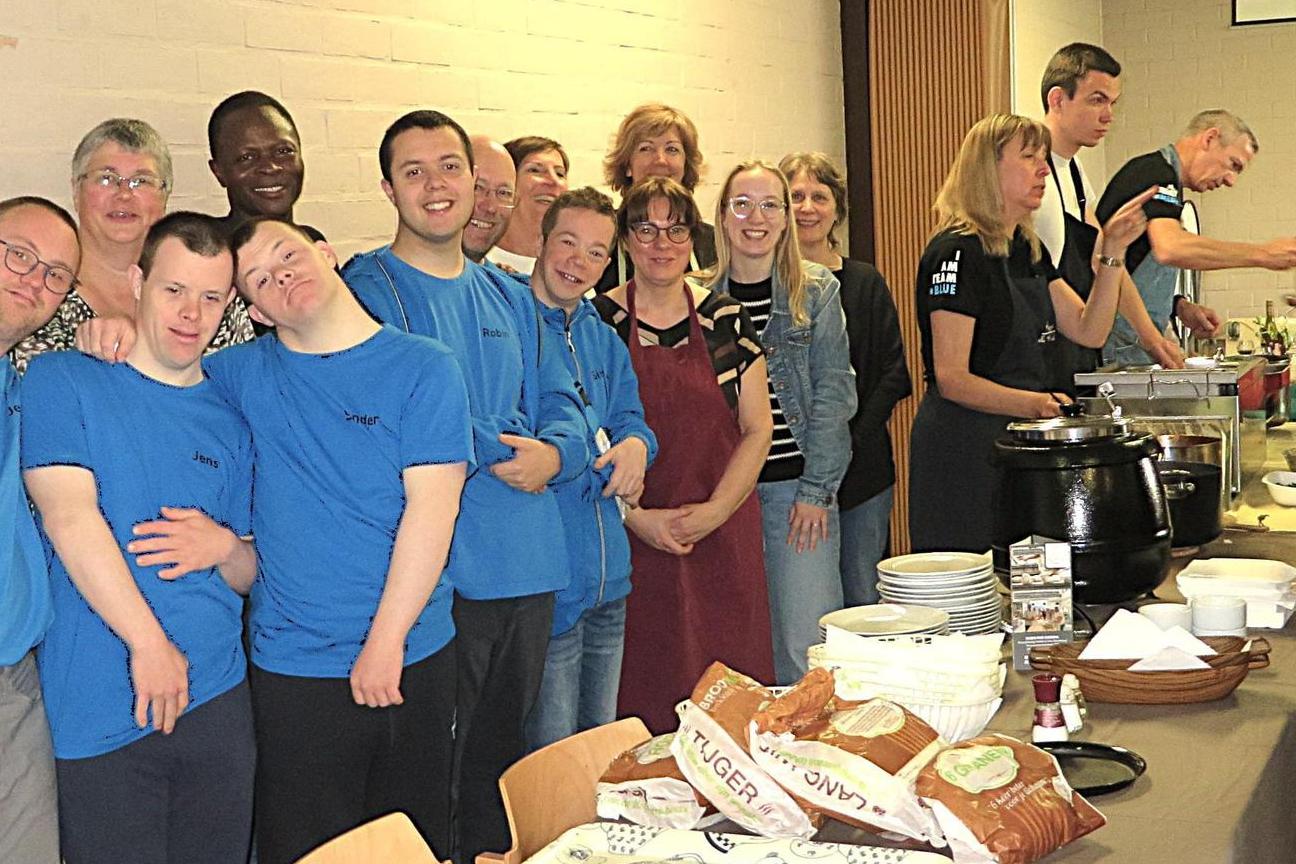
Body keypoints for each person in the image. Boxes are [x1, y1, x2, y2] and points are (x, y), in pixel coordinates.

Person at [341, 110, 586, 864]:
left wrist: (558, 453)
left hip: (530, 565)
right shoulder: (366, 289)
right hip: (446, 579)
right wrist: (494, 442)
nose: (435, 186)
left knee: (499, 777)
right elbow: (387, 412)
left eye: (449, 168)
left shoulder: (509, 296)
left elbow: (564, 397)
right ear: (388, 189)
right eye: (412, 172)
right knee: (435, 786)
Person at [21, 213, 256, 864]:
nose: (191, 314)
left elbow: (249, 571)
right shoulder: (63, 379)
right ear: (136, 281)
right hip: (103, 703)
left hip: (217, 699)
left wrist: (225, 549)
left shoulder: (231, 418)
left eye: (212, 297)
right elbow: (69, 518)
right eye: (174, 290)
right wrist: (149, 644)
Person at [908, 113, 1154, 554]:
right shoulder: (956, 252)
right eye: (1029, 158)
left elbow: (1089, 329)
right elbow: (952, 377)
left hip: (1018, 437)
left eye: (1043, 158)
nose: (1044, 169)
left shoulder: (1025, 247)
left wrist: (1113, 252)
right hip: (965, 447)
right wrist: (1036, 404)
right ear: (988, 169)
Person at [592, 177, 774, 729]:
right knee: (645, 698)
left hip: (722, 534)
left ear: (694, 237)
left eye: (676, 230)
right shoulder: (598, 323)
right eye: (646, 229)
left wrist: (717, 511)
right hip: (633, 539)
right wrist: (637, 519)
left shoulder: (725, 320)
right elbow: (587, 437)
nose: (661, 244)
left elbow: (757, 429)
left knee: (734, 704)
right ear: (626, 239)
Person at [701, 161, 856, 685]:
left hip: (798, 496)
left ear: (787, 219)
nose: (756, 217)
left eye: (771, 205)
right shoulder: (695, 298)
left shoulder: (816, 291)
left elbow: (836, 395)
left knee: (804, 649)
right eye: (742, 204)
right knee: (737, 648)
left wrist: (817, 491)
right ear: (722, 217)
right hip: (727, 498)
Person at [523, 187, 657, 751]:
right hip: (552, 583)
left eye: (597, 252)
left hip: (610, 582)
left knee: (601, 748)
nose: (579, 261)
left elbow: (633, 419)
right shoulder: (510, 330)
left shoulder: (604, 338)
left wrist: (636, 448)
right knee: (555, 755)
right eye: (568, 243)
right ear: (542, 239)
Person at [9, 119, 254, 372]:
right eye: (106, 178)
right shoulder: (41, 287)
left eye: (142, 181)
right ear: (75, 189)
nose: (124, 194)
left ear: (165, 194)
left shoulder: (209, 288)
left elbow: (246, 387)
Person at [780, 152, 911, 609]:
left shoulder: (865, 282)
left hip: (863, 469)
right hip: (790, 475)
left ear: (837, 209)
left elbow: (894, 375)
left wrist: (843, 442)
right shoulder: (767, 285)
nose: (807, 208)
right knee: (804, 604)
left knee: (861, 596)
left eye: (820, 196)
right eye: (795, 196)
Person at [0, 195, 81, 864]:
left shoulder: (22, 382)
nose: (35, 279)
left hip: (16, 679)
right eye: (19, 255)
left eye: (56, 273)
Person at [1098, 109, 1296, 366]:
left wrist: (1178, 306)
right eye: (1233, 164)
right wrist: (1264, 254)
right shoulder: (1156, 173)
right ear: (1210, 139)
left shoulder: (1169, 185)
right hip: (1114, 350)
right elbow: (1170, 248)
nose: (1231, 181)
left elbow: (1130, 264)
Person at [1034, 43, 1184, 379]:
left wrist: (1152, 339)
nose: (1108, 116)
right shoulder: (1031, 175)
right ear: (1057, 100)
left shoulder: (1073, 172)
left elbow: (1104, 261)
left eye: (1112, 103)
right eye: (1097, 100)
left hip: (1074, 351)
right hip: (1037, 357)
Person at [592, 103, 718, 293]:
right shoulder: (600, 236)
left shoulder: (713, 243)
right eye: (646, 148)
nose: (660, 160)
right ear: (627, 165)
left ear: (686, 164)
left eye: (672, 149)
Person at [207, 91, 311, 237]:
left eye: (283, 151)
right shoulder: (207, 253)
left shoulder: (312, 244)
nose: (270, 167)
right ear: (218, 172)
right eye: (247, 157)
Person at [485, 136, 569, 273]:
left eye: (560, 174)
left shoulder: (572, 270)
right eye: (535, 170)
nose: (554, 181)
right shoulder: (475, 261)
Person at [462, 135, 518, 263]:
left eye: (503, 193)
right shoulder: (408, 277)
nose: (490, 207)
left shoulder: (504, 282)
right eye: (477, 187)